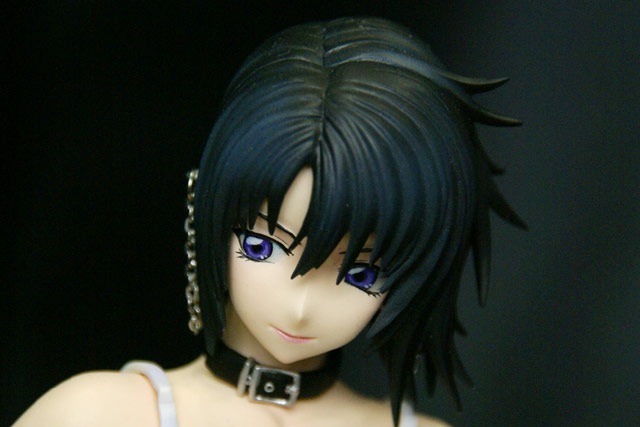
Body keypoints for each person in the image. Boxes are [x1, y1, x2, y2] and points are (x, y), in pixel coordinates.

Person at [16, 16, 524, 427]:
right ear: (207, 213)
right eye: (262, 246)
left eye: (360, 273)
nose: (301, 307)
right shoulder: (104, 414)